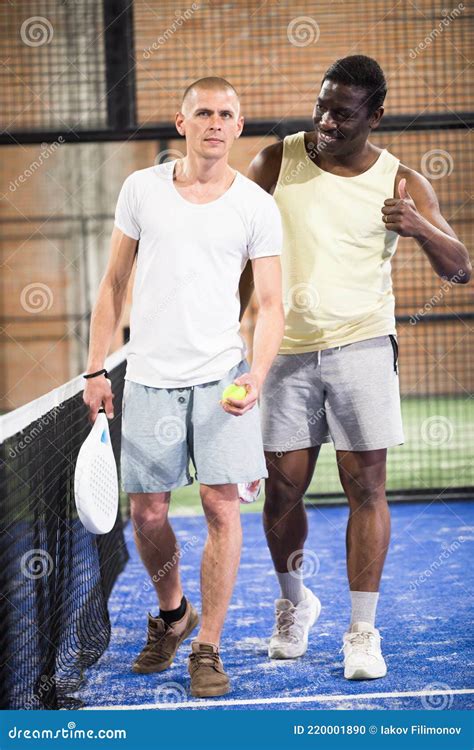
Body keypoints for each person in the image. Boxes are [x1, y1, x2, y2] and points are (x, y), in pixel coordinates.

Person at [241, 55, 471, 680]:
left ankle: (362, 631)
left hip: (363, 345)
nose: (325, 122)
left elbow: (460, 268)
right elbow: (238, 252)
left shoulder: (403, 182)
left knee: (365, 487)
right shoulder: (273, 162)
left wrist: (420, 227)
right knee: (283, 487)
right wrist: (238, 337)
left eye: (342, 114)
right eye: (321, 107)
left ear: (375, 116)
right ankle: (294, 607)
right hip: (284, 350)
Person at [83, 77, 284, 698]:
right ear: (182, 122)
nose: (215, 123)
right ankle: (174, 614)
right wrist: (95, 368)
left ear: (239, 126)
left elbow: (273, 304)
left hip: (223, 377)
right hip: (146, 377)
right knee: (146, 514)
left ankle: (207, 647)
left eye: (226, 113)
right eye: (204, 112)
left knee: (223, 507)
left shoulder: (255, 204)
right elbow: (114, 283)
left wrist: (257, 372)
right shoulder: (141, 189)